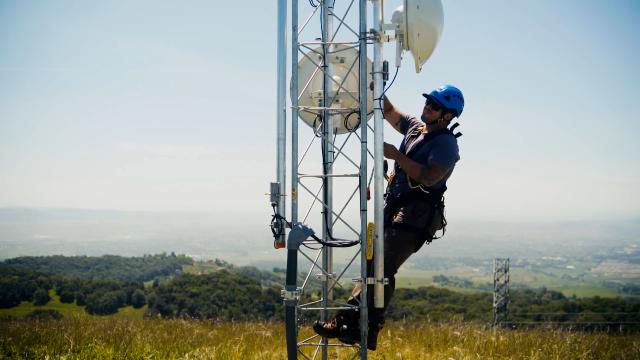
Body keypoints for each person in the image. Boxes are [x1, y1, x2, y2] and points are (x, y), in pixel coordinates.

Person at [313, 84, 465, 350]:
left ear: (448, 115)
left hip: (414, 217)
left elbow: (430, 177)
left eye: (435, 105)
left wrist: (397, 155)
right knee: (373, 264)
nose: (427, 107)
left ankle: (351, 323)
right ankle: (358, 328)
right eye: (428, 102)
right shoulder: (416, 128)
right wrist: (372, 86)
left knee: (382, 268)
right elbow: (391, 111)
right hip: (395, 209)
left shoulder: (446, 144)